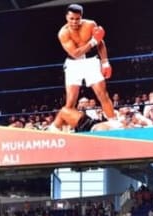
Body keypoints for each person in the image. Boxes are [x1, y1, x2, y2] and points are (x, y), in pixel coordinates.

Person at [48, 4, 119, 132]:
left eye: (77, 18)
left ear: (81, 17)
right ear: (66, 17)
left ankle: (114, 124)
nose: (74, 22)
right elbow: (75, 53)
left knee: (102, 93)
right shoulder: (63, 33)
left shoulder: (90, 24)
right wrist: (93, 41)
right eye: (71, 19)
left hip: (91, 62)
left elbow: (100, 42)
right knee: (70, 103)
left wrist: (105, 62)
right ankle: (57, 129)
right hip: (73, 64)